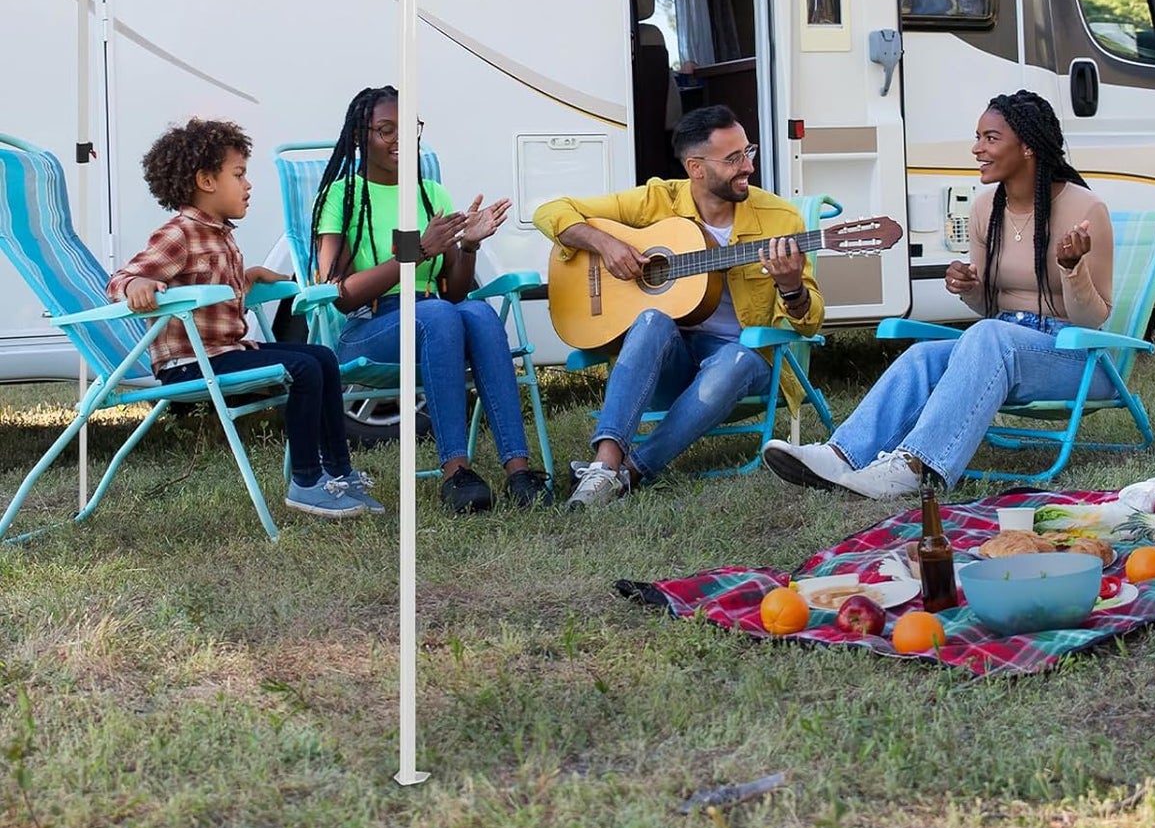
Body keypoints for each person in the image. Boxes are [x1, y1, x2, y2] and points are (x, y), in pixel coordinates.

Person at [763, 89, 1113, 499]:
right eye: (977, 137)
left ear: (1029, 146)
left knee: (987, 336)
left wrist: (1071, 269)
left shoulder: (1085, 210)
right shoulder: (987, 208)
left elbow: (1094, 320)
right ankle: (841, 455)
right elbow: (990, 311)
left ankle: (914, 466)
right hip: (1002, 347)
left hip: (1075, 358)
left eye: (990, 138)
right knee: (922, 355)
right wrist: (969, 289)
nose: (977, 148)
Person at [535, 104, 823, 507]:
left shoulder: (779, 219)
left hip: (740, 360)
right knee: (652, 317)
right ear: (696, 168)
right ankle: (604, 465)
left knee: (737, 359)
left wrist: (791, 287)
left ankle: (631, 473)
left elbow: (809, 324)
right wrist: (607, 244)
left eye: (748, 152)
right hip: (668, 361)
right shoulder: (658, 200)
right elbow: (548, 211)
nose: (748, 167)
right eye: (733, 158)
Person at [108, 118, 381, 519]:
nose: (248, 185)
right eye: (238, 174)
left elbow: (208, 282)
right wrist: (135, 286)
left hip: (226, 351)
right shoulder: (180, 232)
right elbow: (124, 276)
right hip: (191, 364)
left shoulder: (221, 233)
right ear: (205, 181)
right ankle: (306, 481)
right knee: (304, 367)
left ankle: (339, 474)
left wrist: (249, 276)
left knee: (321, 356)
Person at [309, 86, 552, 513]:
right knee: (441, 313)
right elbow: (340, 294)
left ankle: (519, 471)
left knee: (476, 311)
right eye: (386, 130)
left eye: (409, 129)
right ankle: (456, 472)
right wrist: (416, 251)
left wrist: (470, 245)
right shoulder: (343, 196)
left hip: (431, 316)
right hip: (370, 326)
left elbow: (454, 289)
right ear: (360, 136)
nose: (401, 139)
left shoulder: (430, 193)